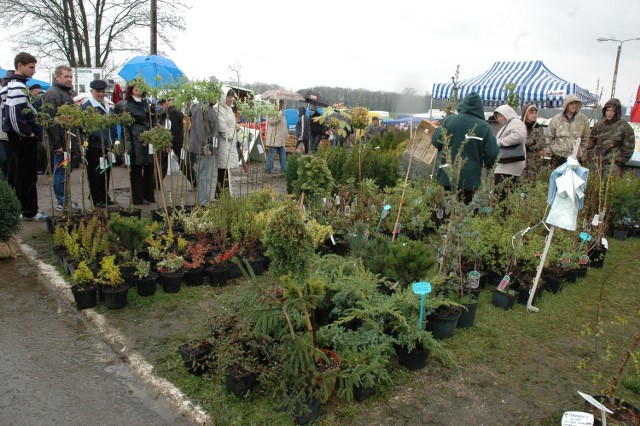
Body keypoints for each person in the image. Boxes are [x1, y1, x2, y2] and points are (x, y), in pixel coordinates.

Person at [0, 52, 46, 221]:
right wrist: (28, 133)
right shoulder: (16, 86)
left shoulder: (12, 84)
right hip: (21, 138)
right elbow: (14, 114)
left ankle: (23, 209)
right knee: (25, 174)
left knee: (18, 173)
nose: (34, 71)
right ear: (20, 65)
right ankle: (28, 211)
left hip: (18, 137)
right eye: (31, 67)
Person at [431, 92, 499, 205]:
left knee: (446, 209)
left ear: (463, 105)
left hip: (447, 175)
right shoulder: (484, 127)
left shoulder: (449, 121)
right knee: (464, 212)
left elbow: (436, 141)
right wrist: (487, 164)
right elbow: (492, 156)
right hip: (469, 180)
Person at [41, 65, 77, 211]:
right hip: (59, 143)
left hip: (67, 140)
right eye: (66, 77)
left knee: (66, 171)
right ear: (57, 77)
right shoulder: (53, 94)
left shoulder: (65, 93)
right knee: (61, 172)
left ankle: (66, 200)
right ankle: (62, 202)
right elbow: (50, 121)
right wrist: (57, 144)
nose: (69, 80)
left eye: (70, 77)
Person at [81, 80, 118, 209]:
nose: (101, 94)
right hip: (94, 145)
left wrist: (114, 139)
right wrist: (100, 137)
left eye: (103, 91)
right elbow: (86, 127)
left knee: (105, 172)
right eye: (98, 91)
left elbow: (112, 124)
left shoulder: (107, 105)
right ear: (92, 91)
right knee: (96, 173)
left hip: (106, 144)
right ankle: (96, 197)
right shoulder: (88, 106)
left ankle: (104, 195)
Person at [120, 81, 156, 205]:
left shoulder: (146, 104)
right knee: (136, 170)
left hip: (148, 139)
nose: (138, 91)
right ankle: (138, 197)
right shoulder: (127, 105)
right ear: (131, 90)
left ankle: (148, 195)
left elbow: (152, 121)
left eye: (141, 89)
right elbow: (126, 127)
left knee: (149, 168)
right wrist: (128, 144)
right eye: (136, 89)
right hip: (136, 140)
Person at [587, 98, 635, 177]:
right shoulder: (599, 125)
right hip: (595, 165)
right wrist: (590, 159)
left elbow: (628, 148)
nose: (609, 113)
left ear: (617, 112)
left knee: (609, 189)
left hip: (612, 166)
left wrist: (619, 163)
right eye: (607, 110)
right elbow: (590, 144)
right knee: (593, 188)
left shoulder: (624, 127)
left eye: (612, 111)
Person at [492, 104, 527, 202]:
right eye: (497, 117)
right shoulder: (509, 124)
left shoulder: (516, 122)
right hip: (507, 163)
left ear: (506, 113)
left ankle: (502, 215)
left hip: (510, 164)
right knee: (502, 193)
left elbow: (519, 136)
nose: (499, 118)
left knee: (501, 194)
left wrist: (500, 142)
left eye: (500, 115)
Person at [546, 94, 590, 167]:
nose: (574, 106)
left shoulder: (582, 119)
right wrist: (550, 152)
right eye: (571, 103)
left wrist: (581, 151)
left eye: (575, 103)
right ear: (566, 104)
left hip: (575, 157)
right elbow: (549, 136)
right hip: (558, 156)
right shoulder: (557, 119)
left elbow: (586, 137)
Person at [189, 101, 217, 206]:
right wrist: (206, 145)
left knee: (206, 175)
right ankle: (203, 202)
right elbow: (200, 129)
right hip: (202, 147)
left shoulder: (208, 107)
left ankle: (205, 199)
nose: (216, 99)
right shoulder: (201, 108)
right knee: (203, 176)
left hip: (206, 146)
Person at [214, 88, 239, 197]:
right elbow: (223, 128)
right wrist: (232, 132)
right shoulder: (219, 109)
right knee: (223, 171)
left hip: (230, 144)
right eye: (229, 97)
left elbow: (230, 124)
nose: (231, 99)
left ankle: (223, 195)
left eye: (232, 97)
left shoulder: (229, 109)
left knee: (226, 171)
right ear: (224, 97)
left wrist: (235, 127)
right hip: (224, 144)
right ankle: (222, 195)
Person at [520, 103, 546, 182]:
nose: (534, 115)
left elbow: (541, 143)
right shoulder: (519, 126)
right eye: (531, 112)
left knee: (532, 185)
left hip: (534, 163)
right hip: (520, 161)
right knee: (519, 184)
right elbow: (519, 142)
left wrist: (529, 147)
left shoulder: (538, 128)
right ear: (525, 113)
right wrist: (532, 141)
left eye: (535, 113)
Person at [265, 99, 287, 174]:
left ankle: (284, 169)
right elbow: (271, 122)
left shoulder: (281, 113)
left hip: (281, 139)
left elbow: (283, 125)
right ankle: (268, 170)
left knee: (283, 154)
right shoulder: (272, 112)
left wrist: (286, 134)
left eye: (282, 105)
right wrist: (279, 115)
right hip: (274, 139)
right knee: (271, 155)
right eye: (281, 105)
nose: (282, 106)